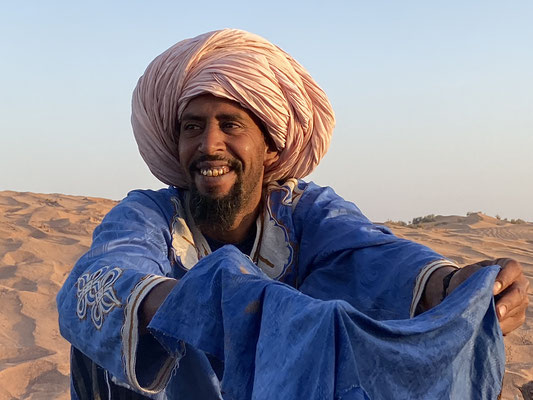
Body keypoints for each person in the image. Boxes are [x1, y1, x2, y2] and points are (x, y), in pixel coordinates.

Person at [57, 29, 529, 399]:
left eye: (231, 125)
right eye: (192, 127)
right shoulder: (150, 215)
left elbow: (374, 257)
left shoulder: (307, 213)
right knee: (115, 327)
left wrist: (451, 286)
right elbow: (101, 277)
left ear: (269, 144)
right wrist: (218, 301)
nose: (208, 145)